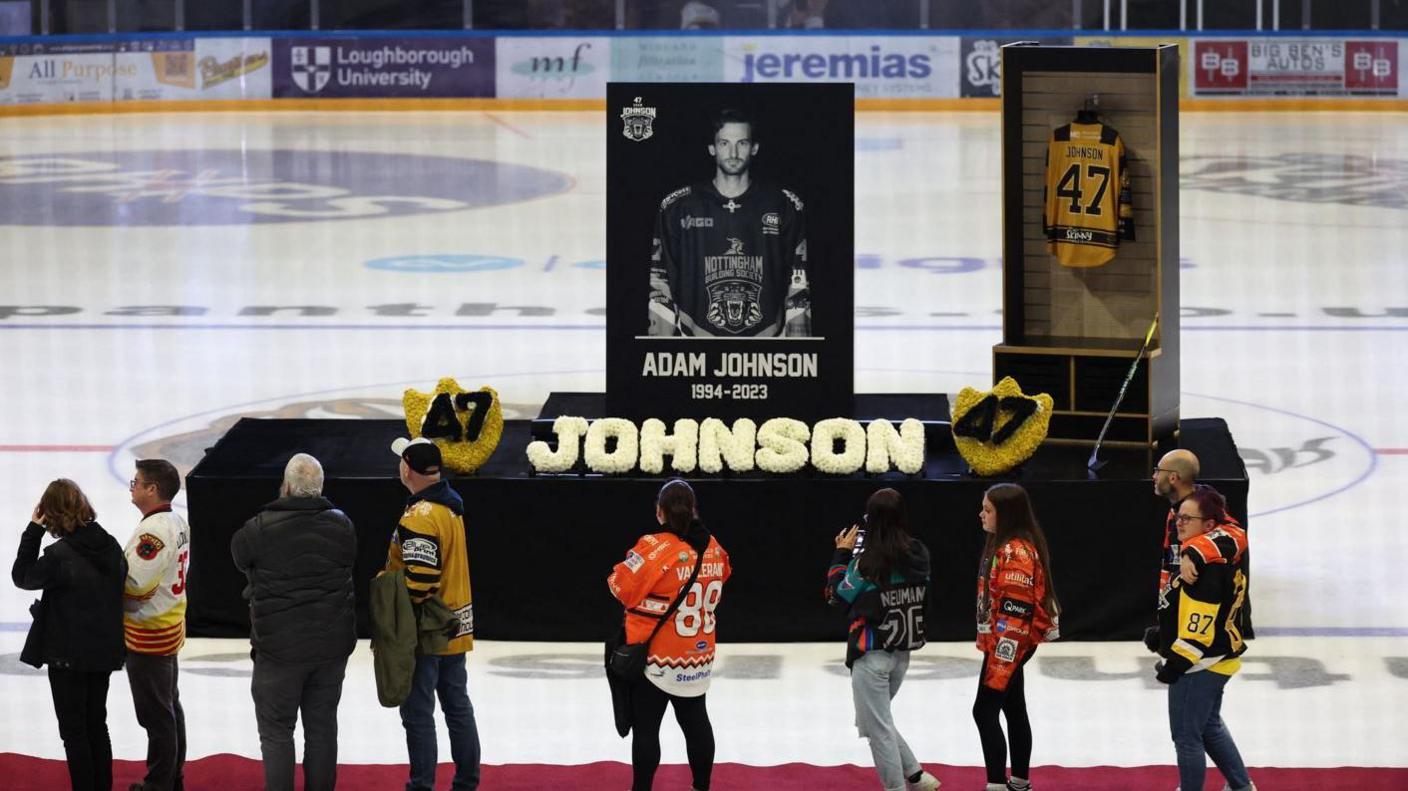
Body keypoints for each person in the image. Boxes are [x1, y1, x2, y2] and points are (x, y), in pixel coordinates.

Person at [231, 453, 356, 791]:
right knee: (322, 728)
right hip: (331, 647)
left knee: (276, 733)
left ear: (285, 486)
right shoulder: (342, 524)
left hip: (278, 649)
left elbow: (239, 556)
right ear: (319, 488)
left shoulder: (258, 528)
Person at [607, 479, 732, 791]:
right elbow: (725, 574)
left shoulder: (654, 547)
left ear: (659, 511)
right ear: (694, 510)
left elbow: (621, 587)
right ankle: (701, 786)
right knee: (697, 724)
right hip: (698, 655)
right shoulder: (714, 546)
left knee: (647, 729)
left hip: (655, 659)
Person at [647, 107, 811, 337]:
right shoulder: (677, 207)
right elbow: (659, 279)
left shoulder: (784, 204)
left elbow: (799, 280)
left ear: (754, 148)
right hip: (696, 345)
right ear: (712, 148)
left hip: (767, 344)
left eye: (742, 143)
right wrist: (659, 345)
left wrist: (799, 345)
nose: (733, 153)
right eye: (724, 143)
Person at [12, 479, 126, 791]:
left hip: (68, 658)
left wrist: (33, 531)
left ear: (49, 513)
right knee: (96, 725)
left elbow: (21, 576)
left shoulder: (59, 557)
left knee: (74, 732)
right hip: (103, 653)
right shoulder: (112, 545)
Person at [825, 488, 941, 791]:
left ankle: (897, 787)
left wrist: (841, 554)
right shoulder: (919, 553)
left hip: (872, 653)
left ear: (870, 520)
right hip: (903, 652)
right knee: (876, 721)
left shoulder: (867, 563)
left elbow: (836, 595)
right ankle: (916, 776)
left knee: (877, 728)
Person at [385, 437, 480, 791]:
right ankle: (467, 782)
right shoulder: (450, 507)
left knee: (418, 714)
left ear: (407, 468)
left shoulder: (421, 517)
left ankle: (421, 785)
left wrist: (391, 600)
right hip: (455, 626)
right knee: (458, 708)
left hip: (426, 632)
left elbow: (422, 580)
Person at [1154, 487, 1256, 791]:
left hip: (1200, 664)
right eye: (1178, 517)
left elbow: (1200, 630)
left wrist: (1176, 663)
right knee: (1209, 726)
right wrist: (1164, 634)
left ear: (1210, 526)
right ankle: (1242, 787)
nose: (1179, 524)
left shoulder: (1203, 570)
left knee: (1186, 736)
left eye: (1187, 518)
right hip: (1220, 656)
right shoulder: (1213, 553)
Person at [973, 484, 1060, 791]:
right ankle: (1020, 782)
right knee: (1013, 708)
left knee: (983, 711)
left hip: (1009, 644)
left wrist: (1002, 657)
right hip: (1004, 643)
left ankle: (996, 785)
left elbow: (1016, 614)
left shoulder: (1016, 553)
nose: (981, 515)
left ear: (1006, 514)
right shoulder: (1003, 544)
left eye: (988, 510)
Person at [123, 458, 191, 791]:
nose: (132, 487)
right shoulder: (177, 521)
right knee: (169, 706)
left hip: (149, 632)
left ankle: (160, 783)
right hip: (169, 623)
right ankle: (172, 775)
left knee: (157, 715)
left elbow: (135, 586)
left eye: (136, 482)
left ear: (152, 489)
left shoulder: (153, 532)